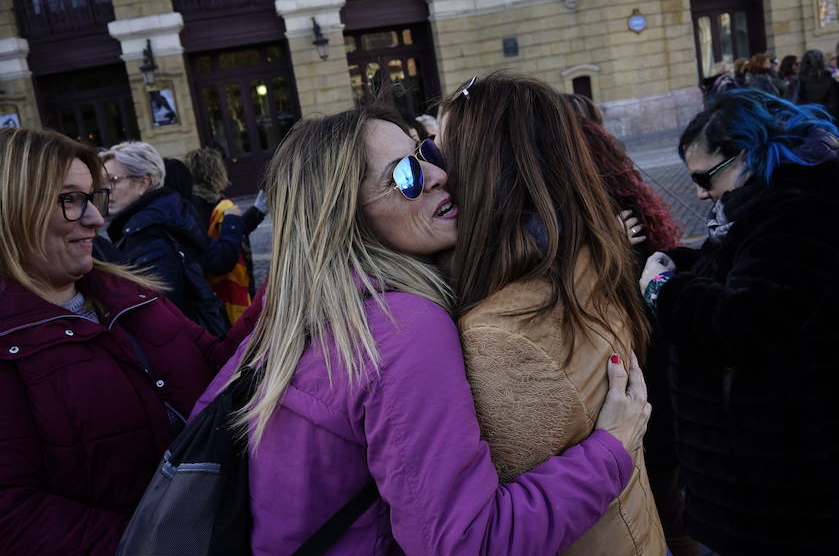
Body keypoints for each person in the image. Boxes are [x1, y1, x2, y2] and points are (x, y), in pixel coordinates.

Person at [191, 103, 652, 555]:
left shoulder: (294, 309)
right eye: (405, 176)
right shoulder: (402, 328)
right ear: (345, 216)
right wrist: (610, 450)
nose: (438, 175)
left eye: (426, 154)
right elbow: (465, 542)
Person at [639, 89, 839, 555]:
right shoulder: (783, 201)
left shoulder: (801, 208)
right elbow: (748, 271)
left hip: (805, 480)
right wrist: (677, 265)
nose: (699, 192)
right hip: (793, 474)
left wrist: (664, 290)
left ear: (747, 155)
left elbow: (747, 320)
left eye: (704, 177)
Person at [0, 127, 262, 555]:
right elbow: (12, 513)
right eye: (70, 199)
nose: (95, 219)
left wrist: (285, 293)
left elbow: (217, 367)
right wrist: (158, 545)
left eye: (93, 197)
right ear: (12, 209)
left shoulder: (128, 293)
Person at [439, 74, 665, 555]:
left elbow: (491, 531)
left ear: (478, 170)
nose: (433, 174)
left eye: (440, 154)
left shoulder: (501, 333)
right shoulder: (580, 252)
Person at [564, 93, 693, 555]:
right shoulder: (606, 208)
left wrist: (600, 250)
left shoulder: (606, 218)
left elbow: (620, 294)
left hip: (640, 378)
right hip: (647, 380)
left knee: (660, 499)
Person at [101, 141, 245, 334]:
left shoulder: (146, 231)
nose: (106, 190)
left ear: (144, 183)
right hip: (204, 333)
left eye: (114, 180)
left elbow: (157, 315)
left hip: (190, 343)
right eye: (103, 183)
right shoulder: (169, 212)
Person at [184, 147, 267, 323]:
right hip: (219, 298)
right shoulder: (197, 206)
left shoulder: (200, 202)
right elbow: (222, 249)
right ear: (215, 171)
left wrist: (258, 211)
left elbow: (233, 235)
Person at [788, 49, 839, 117]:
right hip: (825, 121)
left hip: (803, 119)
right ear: (822, 62)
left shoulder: (796, 81)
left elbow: (789, 103)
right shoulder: (830, 80)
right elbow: (835, 106)